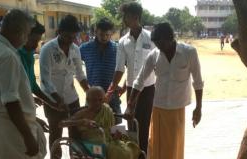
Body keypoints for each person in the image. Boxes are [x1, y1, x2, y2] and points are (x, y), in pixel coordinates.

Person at [125, 23, 204, 159]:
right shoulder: (154, 55)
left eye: (162, 44)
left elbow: (197, 81)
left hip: (177, 109)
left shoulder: (189, 52)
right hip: (158, 108)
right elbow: (139, 81)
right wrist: (130, 106)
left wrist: (198, 107)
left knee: (173, 147)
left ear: (171, 38)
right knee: (155, 144)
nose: (160, 48)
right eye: (156, 44)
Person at [0, 9, 46, 159]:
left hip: (2, 127)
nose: (27, 39)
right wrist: (28, 136)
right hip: (11, 131)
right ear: (19, 31)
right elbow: (10, 102)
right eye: (28, 33)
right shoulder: (7, 56)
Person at [106, 2, 156, 153]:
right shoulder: (122, 41)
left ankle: (144, 154)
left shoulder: (151, 38)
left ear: (135, 17)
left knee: (144, 124)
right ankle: (134, 154)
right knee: (131, 124)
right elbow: (120, 68)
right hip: (131, 89)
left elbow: (157, 63)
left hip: (148, 89)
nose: (124, 20)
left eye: (126, 16)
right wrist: (111, 90)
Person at [40, 14, 89, 158]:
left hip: (72, 98)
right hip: (52, 101)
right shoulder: (47, 49)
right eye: (68, 36)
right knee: (56, 134)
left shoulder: (75, 49)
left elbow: (80, 74)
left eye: (74, 37)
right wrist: (57, 100)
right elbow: (45, 79)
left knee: (75, 133)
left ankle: (75, 157)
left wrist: (89, 91)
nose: (71, 40)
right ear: (60, 32)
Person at [60, 86, 141, 159]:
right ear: (88, 100)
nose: (98, 103)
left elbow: (111, 128)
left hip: (109, 139)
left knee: (132, 145)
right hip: (93, 143)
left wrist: (116, 134)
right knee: (120, 153)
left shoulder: (106, 110)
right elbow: (62, 123)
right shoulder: (83, 113)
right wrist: (82, 122)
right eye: (94, 100)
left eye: (100, 100)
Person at [80, 17, 123, 124]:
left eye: (107, 35)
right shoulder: (84, 48)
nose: (104, 37)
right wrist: (86, 89)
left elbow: (131, 68)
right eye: (101, 34)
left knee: (115, 129)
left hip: (112, 96)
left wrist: (125, 87)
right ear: (95, 32)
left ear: (112, 33)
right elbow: (75, 69)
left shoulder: (118, 49)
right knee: (91, 129)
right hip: (92, 96)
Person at [17, 20, 60, 110]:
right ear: (24, 36)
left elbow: (32, 85)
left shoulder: (29, 55)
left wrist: (51, 103)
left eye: (38, 41)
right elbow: (12, 93)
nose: (36, 45)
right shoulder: (15, 55)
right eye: (34, 41)